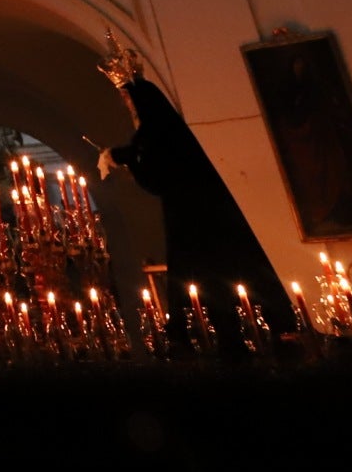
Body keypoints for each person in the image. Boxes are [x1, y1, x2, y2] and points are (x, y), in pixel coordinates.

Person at [94, 40, 288, 349]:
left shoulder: (157, 132)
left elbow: (158, 178)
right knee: (221, 274)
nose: (126, 106)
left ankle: (223, 337)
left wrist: (130, 165)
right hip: (201, 211)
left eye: (127, 100)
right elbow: (146, 151)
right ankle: (241, 332)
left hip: (192, 218)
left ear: (141, 101)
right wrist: (124, 156)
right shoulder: (165, 127)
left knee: (209, 277)